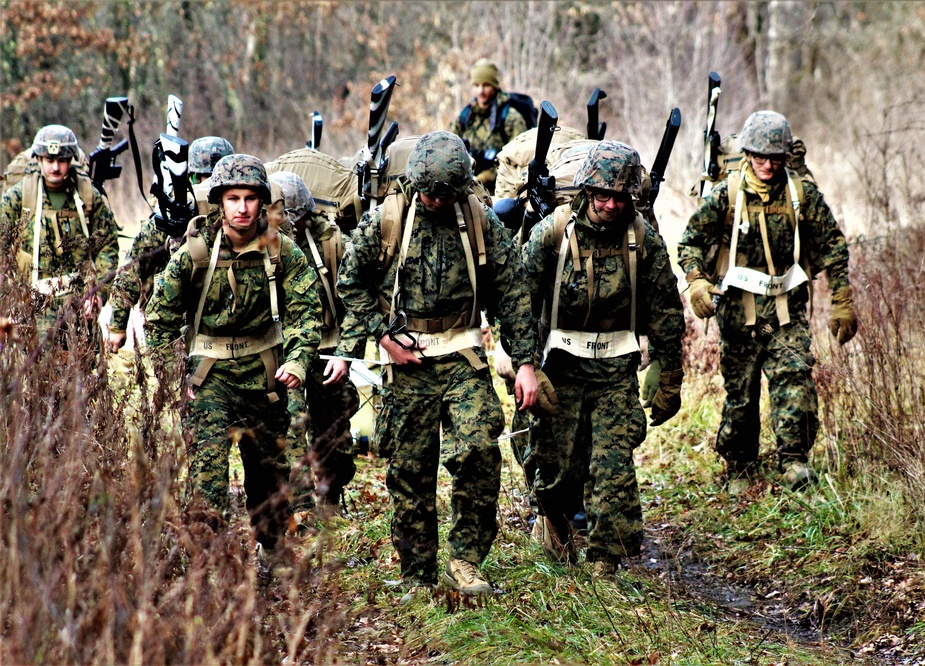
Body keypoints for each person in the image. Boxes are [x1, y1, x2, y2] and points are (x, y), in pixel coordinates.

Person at [329, 131, 542, 596]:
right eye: (429, 192)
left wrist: (525, 362)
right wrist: (384, 337)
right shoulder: (388, 219)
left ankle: (465, 561)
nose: (437, 201)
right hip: (407, 362)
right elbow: (351, 283)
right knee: (410, 469)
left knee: (479, 453)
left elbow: (514, 292)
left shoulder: (479, 220)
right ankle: (417, 574)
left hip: (463, 354)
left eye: (447, 193)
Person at [521, 140, 686, 580]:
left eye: (620, 197)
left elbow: (667, 308)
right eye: (602, 195)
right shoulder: (552, 234)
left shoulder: (643, 240)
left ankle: (604, 564)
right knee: (556, 470)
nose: (611, 205)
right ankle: (553, 527)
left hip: (615, 375)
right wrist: (527, 365)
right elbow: (520, 305)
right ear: (586, 192)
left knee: (611, 468)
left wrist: (669, 374)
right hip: (560, 372)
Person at [143, 154, 321, 559]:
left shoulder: (282, 251)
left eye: (250, 199)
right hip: (210, 378)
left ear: (263, 202)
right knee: (206, 477)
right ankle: (207, 565)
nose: (242, 208)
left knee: (269, 478)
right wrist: (173, 375)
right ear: (219, 201)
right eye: (233, 198)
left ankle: (272, 552)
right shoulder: (194, 252)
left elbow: (306, 312)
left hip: (264, 377)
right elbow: (160, 319)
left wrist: (297, 360)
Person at [677, 110, 857, 493]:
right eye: (760, 157)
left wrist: (842, 300)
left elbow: (833, 247)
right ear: (747, 155)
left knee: (794, 381)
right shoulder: (726, 194)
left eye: (775, 158)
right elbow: (689, 241)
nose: (767, 165)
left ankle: (794, 460)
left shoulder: (801, 194)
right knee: (741, 394)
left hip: (787, 309)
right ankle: (740, 465)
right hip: (737, 310)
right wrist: (696, 283)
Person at [268, 170, 360, 520]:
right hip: (283, 351)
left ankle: (332, 494)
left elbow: (358, 300)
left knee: (334, 430)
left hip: (328, 347)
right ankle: (301, 504)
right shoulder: (259, 245)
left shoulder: (336, 243)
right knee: (290, 425)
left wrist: (345, 352)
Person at [106, 136, 235, 353]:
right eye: (204, 178)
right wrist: (118, 324)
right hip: (176, 322)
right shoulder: (173, 214)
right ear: (192, 177)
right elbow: (133, 268)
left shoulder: (241, 212)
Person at [0, 125, 119, 343]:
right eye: (49, 160)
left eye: (62, 161)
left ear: (71, 160)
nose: (56, 167)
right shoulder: (17, 198)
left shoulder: (87, 196)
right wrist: (9, 302)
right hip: (31, 308)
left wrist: (99, 294)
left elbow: (107, 247)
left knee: (85, 372)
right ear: (38, 159)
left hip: (79, 308)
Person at [450, 58, 528, 195]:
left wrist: (484, 178)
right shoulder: (464, 117)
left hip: (502, 193)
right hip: (466, 191)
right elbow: (449, 153)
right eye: (476, 85)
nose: (481, 91)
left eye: (486, 85)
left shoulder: (511, 119)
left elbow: (518, 162)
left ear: (495, 86)